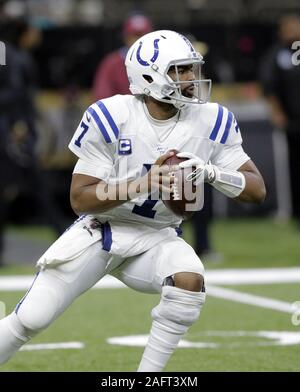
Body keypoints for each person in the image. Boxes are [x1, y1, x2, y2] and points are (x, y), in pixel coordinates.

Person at [0, 30, 266, 371]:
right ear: (149, 76)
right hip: (103, 230)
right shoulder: (112, 116)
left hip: (157, 236)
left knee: (189, 281)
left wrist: (214, 173)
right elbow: (80, 199)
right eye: (180, 70)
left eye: (192, 69)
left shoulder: (213, 119)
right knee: (32, 318)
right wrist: (141, 184)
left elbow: (257, 191)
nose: (191, 79)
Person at [260, 14, 300, 224]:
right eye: (289, 27)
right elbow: (269, 87)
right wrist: (277, 112)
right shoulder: (276, 55)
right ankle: (292, 210)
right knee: (293, 167)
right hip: (292, 122)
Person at [92, 12, 153, 100]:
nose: (138, 40)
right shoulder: (111, 63)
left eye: (142, 35)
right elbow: (102, 99)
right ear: (125, 37)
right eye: (134, 36)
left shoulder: (160, 61)